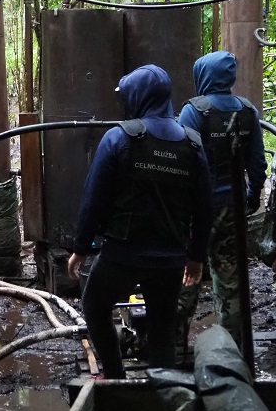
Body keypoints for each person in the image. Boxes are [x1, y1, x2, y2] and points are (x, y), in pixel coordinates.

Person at [68, 64, 213, 379]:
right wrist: (196, 256)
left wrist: (81, 247)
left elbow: (94, 198)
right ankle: (164, 392)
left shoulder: (118, 139)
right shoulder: (192, 144)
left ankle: (115, 376)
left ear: (137, 97)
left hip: (122, 255)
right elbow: (205, 206)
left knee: (95, 306)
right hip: (171, 259)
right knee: (163, 326)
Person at [176, 50, 267, 347]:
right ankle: (233, 348)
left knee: (186, 274)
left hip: (196, 211)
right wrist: (251, 196)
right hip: (233, 207)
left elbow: (184, 164)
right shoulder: (248, 111)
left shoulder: (193, 111)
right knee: (230, 279)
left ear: (203, 75)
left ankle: (174, 346)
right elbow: (257, 163)